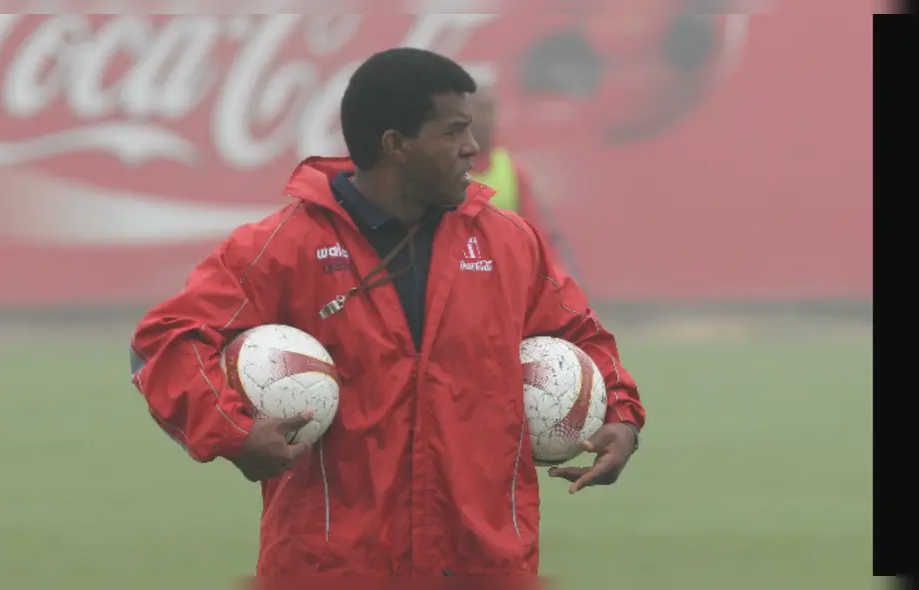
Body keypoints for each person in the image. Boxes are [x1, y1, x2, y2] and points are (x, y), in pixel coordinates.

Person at [129, 47, 645, 580]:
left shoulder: (509, 242)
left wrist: (623, 419)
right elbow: (165, 339)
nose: (474, 147)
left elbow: (582, 336)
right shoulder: (287, 246)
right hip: (332, 571)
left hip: (486, 567)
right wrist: (233, 433)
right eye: (453, 132)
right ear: (396, 145)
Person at [467, 85, 581, 278]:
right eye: (479, 109)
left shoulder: (511, 170)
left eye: (489, 110)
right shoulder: (441, 169)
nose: (486, 119)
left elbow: (540, 237)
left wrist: (559, 281)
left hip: (502, 281)